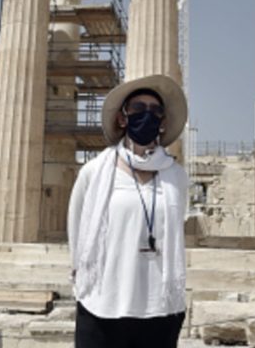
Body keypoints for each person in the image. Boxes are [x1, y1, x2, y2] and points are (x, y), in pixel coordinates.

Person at [68, 74, 189, 348]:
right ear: (122, 118)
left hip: (160, 307)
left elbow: (175, 226)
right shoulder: (94, 173)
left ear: (163, 122)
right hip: (103, 302)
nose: (148, 115)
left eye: (156, 111)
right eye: (138, 109)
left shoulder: (176, 176)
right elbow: (77, 228)